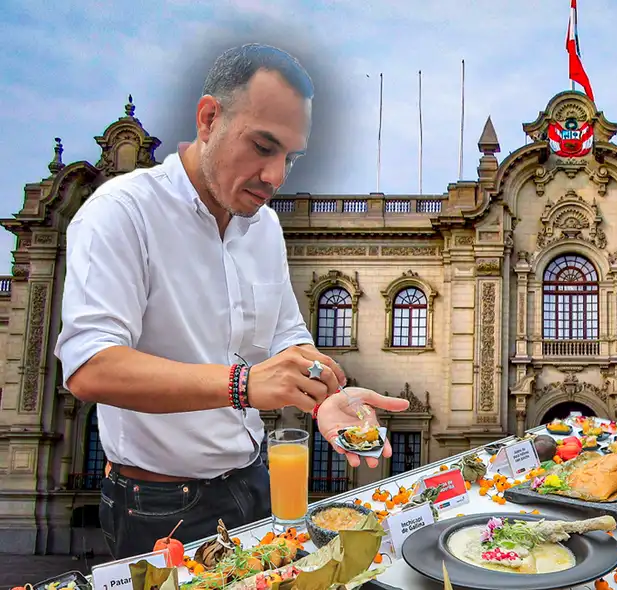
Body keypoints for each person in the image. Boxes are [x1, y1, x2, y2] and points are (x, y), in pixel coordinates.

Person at [53, 43, 409, 559]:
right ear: (208, 118)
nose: (277, 176)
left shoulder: (263, 225)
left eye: (290, 156)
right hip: (157, 503)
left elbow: (287, 335)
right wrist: (244, 385)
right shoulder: (120, 212)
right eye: (263, 146)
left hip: (255, 482)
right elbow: (89, 367)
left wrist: (325, 394)